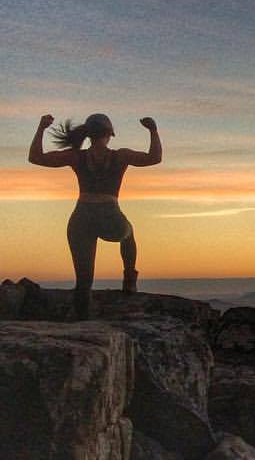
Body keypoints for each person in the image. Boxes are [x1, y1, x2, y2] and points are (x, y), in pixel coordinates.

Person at [28, 113, 162, 319]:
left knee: (83, 281)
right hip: (110, 216)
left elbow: (36, 158)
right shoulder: (121, 156)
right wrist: (153, 130)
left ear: (89, 135)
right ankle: (129, 280)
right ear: (109, 134)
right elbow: (154, 158)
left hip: (81, 218)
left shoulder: (76, 156)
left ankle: (81, 324)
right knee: (128, 233)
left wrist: (41, 128)